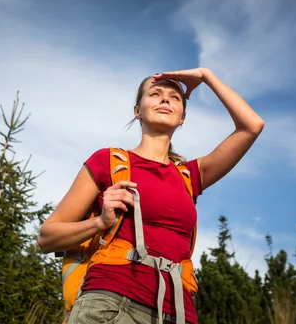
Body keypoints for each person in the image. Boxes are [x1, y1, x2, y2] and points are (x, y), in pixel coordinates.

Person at [38, 68, 264, 324]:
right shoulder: (107, 161)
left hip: (179, 312)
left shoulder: (191, 175)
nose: (165, 99)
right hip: (110, 302)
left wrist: (205, 76)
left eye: (174, 97)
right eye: (155, 94)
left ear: (183, 117)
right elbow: (47, 238)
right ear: (138, 111)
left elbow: (252, 126)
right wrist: (100, 223)